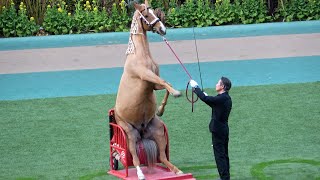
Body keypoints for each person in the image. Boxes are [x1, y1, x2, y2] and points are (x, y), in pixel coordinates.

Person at [189, 77, 232, 180]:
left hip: (218, 130)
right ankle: (225, 177)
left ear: (222, 86)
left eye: (218, 83)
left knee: (219, 156)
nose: (216, 84)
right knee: (224, 154)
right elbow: (212, 102)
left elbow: (207, 99)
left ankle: (224, 178)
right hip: (223, 130)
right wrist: (204, 94)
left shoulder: (221, 98)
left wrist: (196, 87)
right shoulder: (225, 98)